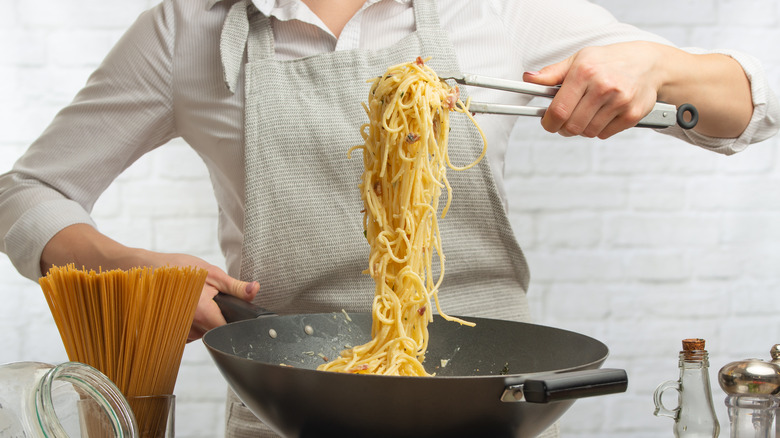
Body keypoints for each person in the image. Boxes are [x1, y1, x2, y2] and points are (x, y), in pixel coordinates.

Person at [1, 0, 778, 437]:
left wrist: (657, 66)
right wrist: (118, 262)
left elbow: (750, 111)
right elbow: (26, 190)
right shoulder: (189, 30)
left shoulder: (496, 10)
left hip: (490, 411)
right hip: (289, 414)